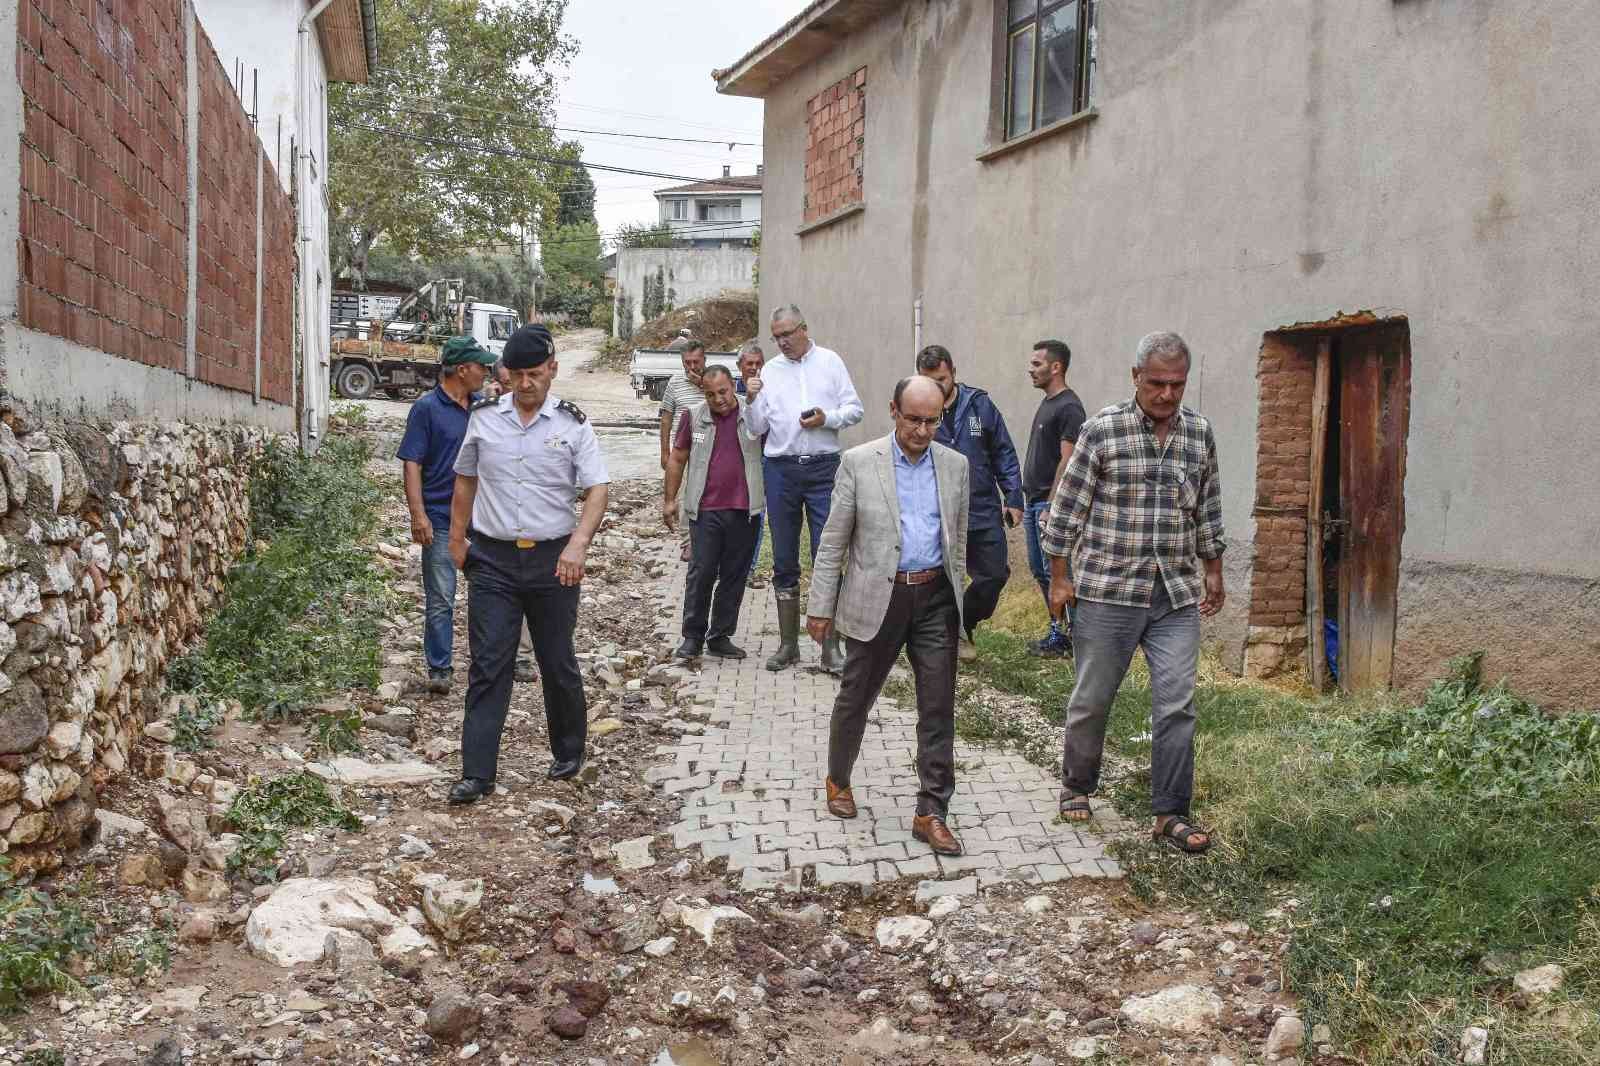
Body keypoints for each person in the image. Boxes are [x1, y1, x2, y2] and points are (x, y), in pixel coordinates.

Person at [1044, 331, 1225, 854]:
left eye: (1177, 384)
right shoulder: (1102, 430)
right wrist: (1060, 576)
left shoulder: (1198, 434)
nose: (1167, 394)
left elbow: (1208, 506)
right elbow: (1066, 510)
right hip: (1108, 591)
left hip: (1174, 593)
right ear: (1135, 377)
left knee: (1177, 704)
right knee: (1093, 698)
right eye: (1157, 383)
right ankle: (1077, 782)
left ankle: (1170, 811)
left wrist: (1213, 567)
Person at [445, 324, 610, 804]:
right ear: (506, 375)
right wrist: (457, 540)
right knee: (488, 663)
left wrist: (579, 543)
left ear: (553, 370)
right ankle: (477, 772)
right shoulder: (485, 419)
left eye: (535, 374)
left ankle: (568, 751)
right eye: (517, 375)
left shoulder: (573, 425)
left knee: (556, 659)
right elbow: (465, 481)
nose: (526, 384)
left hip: (554, 559)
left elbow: (597, 488)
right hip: (492, 559)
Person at [807, 377, 969, 856]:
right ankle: (838, 779)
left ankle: (931, 811)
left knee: (937, 706)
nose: (922, 430)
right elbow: (833, 540)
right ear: (893, 410)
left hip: (935, 598)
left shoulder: (956, 466)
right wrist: (821, 606)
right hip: (878, 597)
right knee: (857, 695)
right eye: (913, 419)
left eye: (932, 421)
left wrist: (962, 596)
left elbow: (956, 539)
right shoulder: (859, 463)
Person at [744, 304, 863, 673]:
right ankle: (788, 644)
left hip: (824, 469)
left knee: (827, 554)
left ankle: (831, 647)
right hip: (780, 470)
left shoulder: (830, 362)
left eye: (787, 334)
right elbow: (756, 427)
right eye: (776, 336)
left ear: (804, 328)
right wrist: (750, 399)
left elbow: (855, 409)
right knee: (783, 556)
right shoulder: (770, 372)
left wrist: (828, 418)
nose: (782, 342)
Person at [396, 337, 497, 694]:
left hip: (482, 520)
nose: (487, 372)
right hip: (439, 518)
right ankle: (440, 669)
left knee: (488, 597)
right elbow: (412, 463)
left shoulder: (483, 407)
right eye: (481, 367)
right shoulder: (426, 409)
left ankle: (491, 664)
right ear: (462, 369)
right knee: (441, 598)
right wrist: (417, 515)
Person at [916, 345, 1024, 661]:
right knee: (942, 579)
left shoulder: (980, 406)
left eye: (942, 379)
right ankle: (948, 637)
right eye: (929, 381)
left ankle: (964, 621)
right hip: (939, 510)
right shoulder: (921, 412)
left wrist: (1014, 496)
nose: (937, 387)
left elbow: (1004, 452)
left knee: (993, 575)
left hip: (982, 508)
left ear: (953, 373)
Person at [662, 366, 764, 659]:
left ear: (732, 386)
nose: (718, 399)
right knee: (701, 573)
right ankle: (692, 638)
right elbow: (678, 458)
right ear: (703, 393)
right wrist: (669, 500)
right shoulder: (693, 417)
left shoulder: (752, 414)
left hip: (745, 511)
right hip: (706, 511)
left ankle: (719, 637)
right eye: (710, 394)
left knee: (734, 575)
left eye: (722, 392)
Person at [1021, 339, 1088, 658]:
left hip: (1048, 505)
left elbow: (1068, 459)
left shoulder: (1069, 407)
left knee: (1056, 571)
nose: (1030, 369)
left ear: (1056, 367)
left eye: (1037, 364)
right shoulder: (1048, 403)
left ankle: (1077, 637)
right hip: (1033, 501)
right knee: (1039, 569)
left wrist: (1051, 505)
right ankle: (1056, 633)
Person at [659, 341, 707, 562]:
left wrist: (702, 385)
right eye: (687, 362)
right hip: (681, 447)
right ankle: (688, 542)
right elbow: (666, 417)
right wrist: (664, 451)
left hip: (706, 444)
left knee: (701, 493)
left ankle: (702, 540)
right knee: (685, 494)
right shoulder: (675, 382)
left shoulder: (712, 380)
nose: (692, 367)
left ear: (704, 360)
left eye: (696, 361)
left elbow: (725, 404)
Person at [734, 341, 767, 586]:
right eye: (749, 364)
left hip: (762, 460)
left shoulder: (769, 389)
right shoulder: (728, 390)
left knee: (757, 513)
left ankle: (749, 569)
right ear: (740, 366)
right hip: (734, 461)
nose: (754, 369)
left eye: (758, 364)